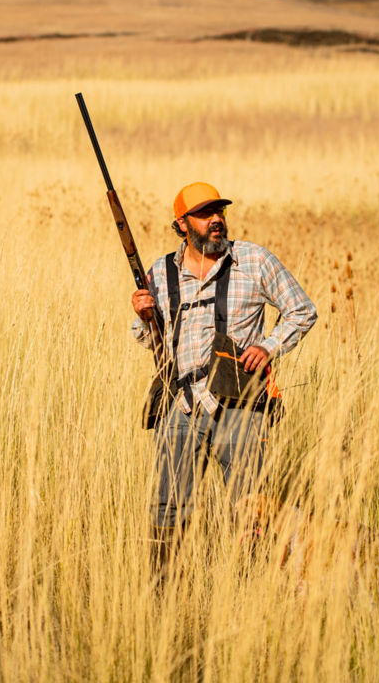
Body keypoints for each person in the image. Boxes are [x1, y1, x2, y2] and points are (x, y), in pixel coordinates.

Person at [131, 181, 317, 567]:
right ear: (182, 223)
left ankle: (253, 597)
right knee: (168, 509)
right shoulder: (161, 273)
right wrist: (144, 316)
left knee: (253, 511)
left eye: (220, 212)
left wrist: (268, 346)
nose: (216, 220)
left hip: (242, 405)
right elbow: (148, 339)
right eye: (204, 214)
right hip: (179, 407)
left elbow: (302, 310)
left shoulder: (254, 260)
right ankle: (163, 598)